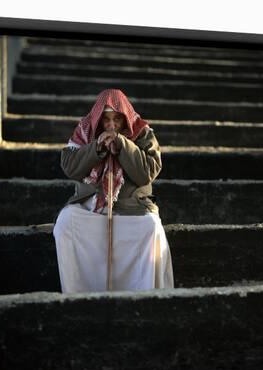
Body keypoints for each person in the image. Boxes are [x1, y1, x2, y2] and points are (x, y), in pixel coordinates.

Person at [52, 88, 174, 293]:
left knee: (151, 227)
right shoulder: (85, 131)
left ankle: (142, 295)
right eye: (106, 120)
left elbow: (147, 173)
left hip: (131, 207)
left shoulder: (142, 132)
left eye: (116, 120)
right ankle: (79, 295)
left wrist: (123, 145)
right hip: (91, 205)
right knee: (65, 224)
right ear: (98, 120)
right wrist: (96, 148)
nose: (111, 125)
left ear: (125, 118)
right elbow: (70, 167)